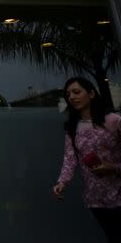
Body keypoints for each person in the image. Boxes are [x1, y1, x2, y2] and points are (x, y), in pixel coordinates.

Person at [52, 77, 121, 242]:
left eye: (76, 92)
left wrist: (112, 167)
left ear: (91, 94)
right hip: (96, 198)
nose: (72, 97)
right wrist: (62, 182)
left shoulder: (113, 120)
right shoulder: (72, 127)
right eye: (68, 95)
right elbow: (70, 158)